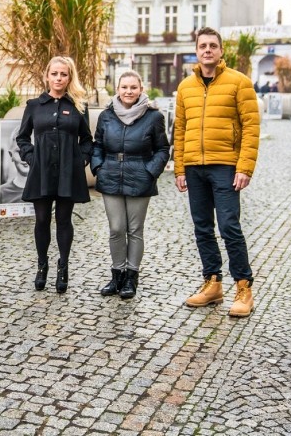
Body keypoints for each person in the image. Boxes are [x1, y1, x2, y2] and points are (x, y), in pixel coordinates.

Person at [174, 26, 260, 317]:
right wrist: (179, 168)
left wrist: (245, 167)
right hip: (194, 167)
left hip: (225, 166)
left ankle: (243, 287)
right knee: (202, 228)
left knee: (229, 227)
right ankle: (212, 283)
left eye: (213, 45)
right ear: (196, 51)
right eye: (202, 46)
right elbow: (180, 128)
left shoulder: (239, 82)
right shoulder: (186, 87)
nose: (207, 50)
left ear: (221, 51)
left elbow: (251, 127)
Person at [91, 71, 170, 300]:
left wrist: (150, 171)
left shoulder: (153, 117)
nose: (128, 92)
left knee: (134, 230)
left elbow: (163, 149)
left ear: (141, 89)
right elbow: (97, 144)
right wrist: (99, 167)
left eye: (133, 87)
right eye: (124, 87)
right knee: (116, 228)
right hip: (111, 175)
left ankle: (131, 276)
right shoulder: (107, 115)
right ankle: (116, 274)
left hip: (140, 175)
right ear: (118, 89)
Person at [16, 55, 92, 294]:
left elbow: (87, 139)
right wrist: (31, 158)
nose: (59, 78)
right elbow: (22, 137)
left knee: (63, 220)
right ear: (47, 76)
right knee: (41, 219)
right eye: (55, 73)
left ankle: (63, 266)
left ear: (70, 77)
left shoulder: (78, 106)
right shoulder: (34, 106)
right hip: (42, 172)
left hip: (69, 173)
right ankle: (42, 265)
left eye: (64, 74)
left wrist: (81, 160)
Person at [0, 125, 29, 204]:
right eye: (19, 152)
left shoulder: (48, 191)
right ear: (11, 155)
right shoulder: (1, 193)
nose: (24, 158)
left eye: (31, 151)